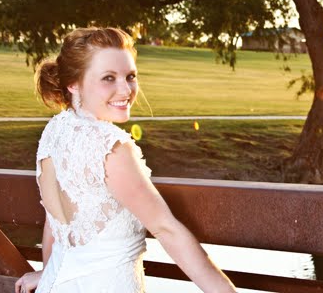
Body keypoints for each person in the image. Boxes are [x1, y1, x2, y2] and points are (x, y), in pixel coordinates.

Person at [15, 27, 237, 293]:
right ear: (73, 83)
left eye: (130, 76)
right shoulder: (111, 147)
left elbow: (57, 221)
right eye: (108, 78)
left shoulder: (54, 132)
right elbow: (166, 229)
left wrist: (48, 273)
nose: (126, 89)